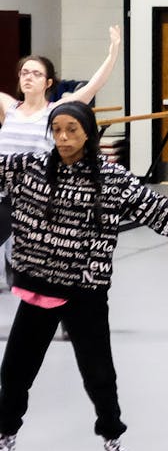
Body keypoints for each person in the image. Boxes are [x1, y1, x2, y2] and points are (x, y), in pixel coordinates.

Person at [0, 102, 168, 451]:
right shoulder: (28, 169)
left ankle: (113, 440)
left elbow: (156, 209)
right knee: (15, 371)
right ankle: (5, 437)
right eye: (57, 130)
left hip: (86, 292)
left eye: (72, 131)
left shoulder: (112, 179)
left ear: (88, 133)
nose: (63, 138)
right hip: (41, 287)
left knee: (99, 374)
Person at [0, 24, 123, 291]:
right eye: (24, 73)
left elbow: (93, 86)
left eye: (36, 73)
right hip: (5, 195)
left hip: (38, 196)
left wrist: (113, 53)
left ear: (48, 82)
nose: (28, 77)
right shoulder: (8, 107)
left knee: (50, 260)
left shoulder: (54, 111)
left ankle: (65, 309)